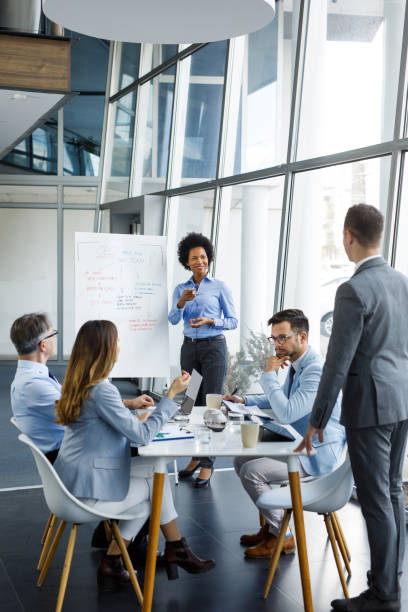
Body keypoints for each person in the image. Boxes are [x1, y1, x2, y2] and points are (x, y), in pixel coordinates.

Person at [298, 204, 408, 612]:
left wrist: (317, 421)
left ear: (348, 236)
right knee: (393, 491)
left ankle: (383, 595)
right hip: (402, 401)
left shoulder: (353, 290)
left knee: (378, 498)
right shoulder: (402, 281)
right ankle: (389, 579)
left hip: (370, 408)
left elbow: (337, 363)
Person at [54, 319, 216, 590]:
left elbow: (100, 418)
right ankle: (169, 549)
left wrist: (130, 414)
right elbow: (141, 437)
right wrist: (170, 396)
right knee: (157, 485)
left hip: (71, 480)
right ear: (106, 349)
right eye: (116, 342)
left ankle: (125, 559)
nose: (119, 347)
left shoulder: (79, 382)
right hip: (86, 491)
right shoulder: (102, 390)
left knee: (154, 475)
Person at [223, 309, 345, 559]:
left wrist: (268, 374)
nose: (277, 344)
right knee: (241, 460)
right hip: (300, 446)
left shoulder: (315, 370)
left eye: (282, 338)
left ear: (302, 337)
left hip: (317, 455)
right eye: (274, 339)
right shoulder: (299, 365)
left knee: (252, 471)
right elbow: (281, 400)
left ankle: (283, 535)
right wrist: (244, 400)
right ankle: (271, 527)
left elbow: (287, 412)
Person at [168, 232, 238, 487]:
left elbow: (232, 321)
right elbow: (173, 320)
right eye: (194, 258)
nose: (200, 261)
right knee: (189, 403)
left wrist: (212, 321)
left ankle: (208, 464)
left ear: (209, 259)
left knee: (211, 404)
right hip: (190, 349)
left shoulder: (219, 287)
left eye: (203, 256)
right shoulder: (181, 288)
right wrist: (180, 302)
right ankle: (196, 455)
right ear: (187, 262)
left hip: (214, 350)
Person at [10, 313, 64, 463]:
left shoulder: (34, 375)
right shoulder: (33, 385)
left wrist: (127, 404)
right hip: (71, 458)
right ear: (43, 344)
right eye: (53, 334)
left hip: (69, 448)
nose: (54, 338)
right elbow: (80, 414)